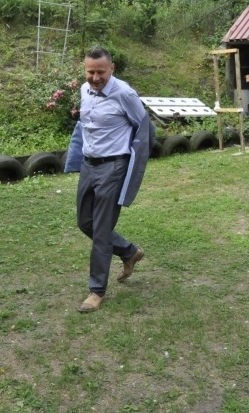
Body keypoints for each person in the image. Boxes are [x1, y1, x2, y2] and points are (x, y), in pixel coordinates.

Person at [64, 46, 154, 313]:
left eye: (100, 72)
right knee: (85, 222)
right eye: (90, 72)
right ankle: (128, 251)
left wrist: (134, 165)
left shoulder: (124, 94)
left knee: (101, 231)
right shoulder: (84, 89)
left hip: (113, 166)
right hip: (89, 165)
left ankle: (96, 291)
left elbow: (145, 127)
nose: (95, 77)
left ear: (111, 68)